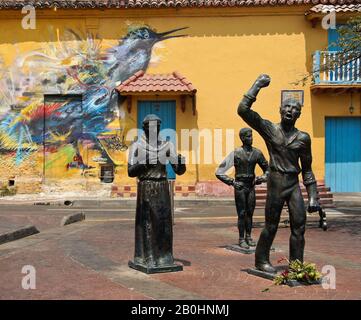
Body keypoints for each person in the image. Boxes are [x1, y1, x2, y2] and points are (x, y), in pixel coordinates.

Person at [237, 74, 321, 273]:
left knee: (299, 226)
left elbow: (307, 170)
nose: (290, 111)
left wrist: (313, 197)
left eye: (295, 109)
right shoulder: (269, 129)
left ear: (299, 115)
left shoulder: (303, 138)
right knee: (271, 226)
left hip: (293, 184)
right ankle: (261, 260)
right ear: (280, 110)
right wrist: (256, 85)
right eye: (287, 107)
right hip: (276, 182)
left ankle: (297, 265)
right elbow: (243, 110)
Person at [128, 114, 186, 273]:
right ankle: (148, 257)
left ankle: (165, 256)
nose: (154, 130)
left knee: (164, 223)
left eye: (157, 127)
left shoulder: (167, 145)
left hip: (162, 186)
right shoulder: (137, 146)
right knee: (148, 223)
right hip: (146, 186)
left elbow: (178, 170)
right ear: (144, 128)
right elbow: (130, 171)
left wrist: (181, 162)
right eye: (150, 127)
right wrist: (144, 162)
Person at [216, 128, 268, 249]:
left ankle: (248, 237)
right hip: (240, 186)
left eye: (251, 136)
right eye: (248, 136)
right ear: (242, 138)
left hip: (251, 186)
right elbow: (219, 172)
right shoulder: (236, 153)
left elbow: (268, 169)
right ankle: (241, 238)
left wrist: (262, 177)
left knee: (250, 213)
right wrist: (232, 182)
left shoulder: (257, 153)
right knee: (242, 213)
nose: (251, 138)